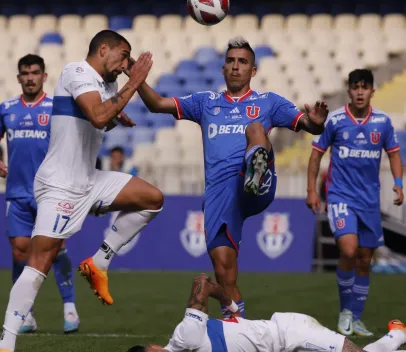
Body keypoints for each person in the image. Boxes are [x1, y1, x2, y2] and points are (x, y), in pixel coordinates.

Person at [131, 36, 328, 318]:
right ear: (223, 68)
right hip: (219, 197)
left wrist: (317, 124)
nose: (236, 67)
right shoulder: (205, 103)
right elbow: (158, 104)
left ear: (253, 71)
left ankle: (254, 171)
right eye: (231, 61)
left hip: (255, 187)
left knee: (255, 130)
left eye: (243, 62)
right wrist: (135, 77)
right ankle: (238, 327)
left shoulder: (268, 102)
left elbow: (308, 125)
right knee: (224, 274)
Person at [0, 30, 163, 352]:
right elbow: (97, 116)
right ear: (103, 49)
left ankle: (98, 262)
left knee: (152, 199)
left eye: (129, 60)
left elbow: (93, 119)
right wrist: (134, 81)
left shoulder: (106, 85)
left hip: (87, 179)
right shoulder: (76, 71)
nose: (126, 63)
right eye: (123, 55)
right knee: (40, 259)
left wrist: (116, 114)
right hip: (60, 184)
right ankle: (6, 341)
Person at [0, 54, 80, 334]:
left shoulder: (56, 107)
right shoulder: (6, 109)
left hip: (51, 192)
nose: (30, 78)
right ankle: (26, 314)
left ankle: (69, 308)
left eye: (35, 72)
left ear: (44, 76)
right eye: (25, 73)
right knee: (20, 252)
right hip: (18, 194)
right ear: (18, 78)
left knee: (57, 250)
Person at [306, 69, 404, 337]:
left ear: (372, 91)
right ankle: (345, 314)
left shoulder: (382, 122)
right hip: (341, 197)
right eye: (355, 87)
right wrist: (312, 191)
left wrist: (398, 182)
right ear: (349, 90)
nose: (360, 92)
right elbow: (316, 155)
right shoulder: (335, 120)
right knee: (349, 250)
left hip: (369, 202)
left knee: (364, 260)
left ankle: (355, 317)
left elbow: (394, 154)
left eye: (365, 87)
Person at [127, 273, 406, 352]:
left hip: (289, 334)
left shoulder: (185, 337)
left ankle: (395, 338)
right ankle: (395, 335)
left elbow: (200, 282)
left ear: (153, 347)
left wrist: (228, 302)